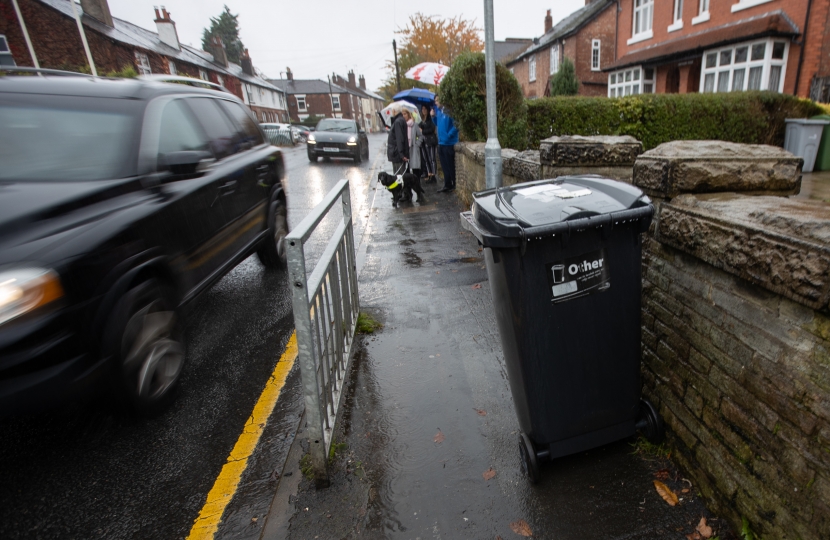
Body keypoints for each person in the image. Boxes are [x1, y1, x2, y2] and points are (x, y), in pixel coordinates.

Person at [434, 96, 458, 193]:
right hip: (441, 143)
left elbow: (457, 124)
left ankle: (454, 184)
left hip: (449, 143)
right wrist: (433, 117)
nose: (436, 102)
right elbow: (437, 124)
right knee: (444, 166)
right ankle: (447, 184)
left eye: (437, 100)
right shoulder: (439, 112)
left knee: (450, 165)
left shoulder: (449, 111)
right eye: (435, 101)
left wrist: (449, 135)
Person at [386, 104, 409, 177]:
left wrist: (401, 154)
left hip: (396, 153)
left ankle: (400, 189)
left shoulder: (397, 122)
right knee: (400, 175)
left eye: (392, 111)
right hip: (398, 153)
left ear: (394, 111)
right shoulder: (400, 120)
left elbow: (400, 139)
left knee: (398, 176)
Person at [419, 104, 438, 183]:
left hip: (430, 141)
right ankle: (429, 173)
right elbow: (419, 128)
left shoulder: (430, 119)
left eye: (425, 109)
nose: (423, 110)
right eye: (422, 109)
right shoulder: (422, 120)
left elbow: (431, 129)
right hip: (424, 142)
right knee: (426, 159)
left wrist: (422, 131)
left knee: (432, 158)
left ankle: (433, 175)